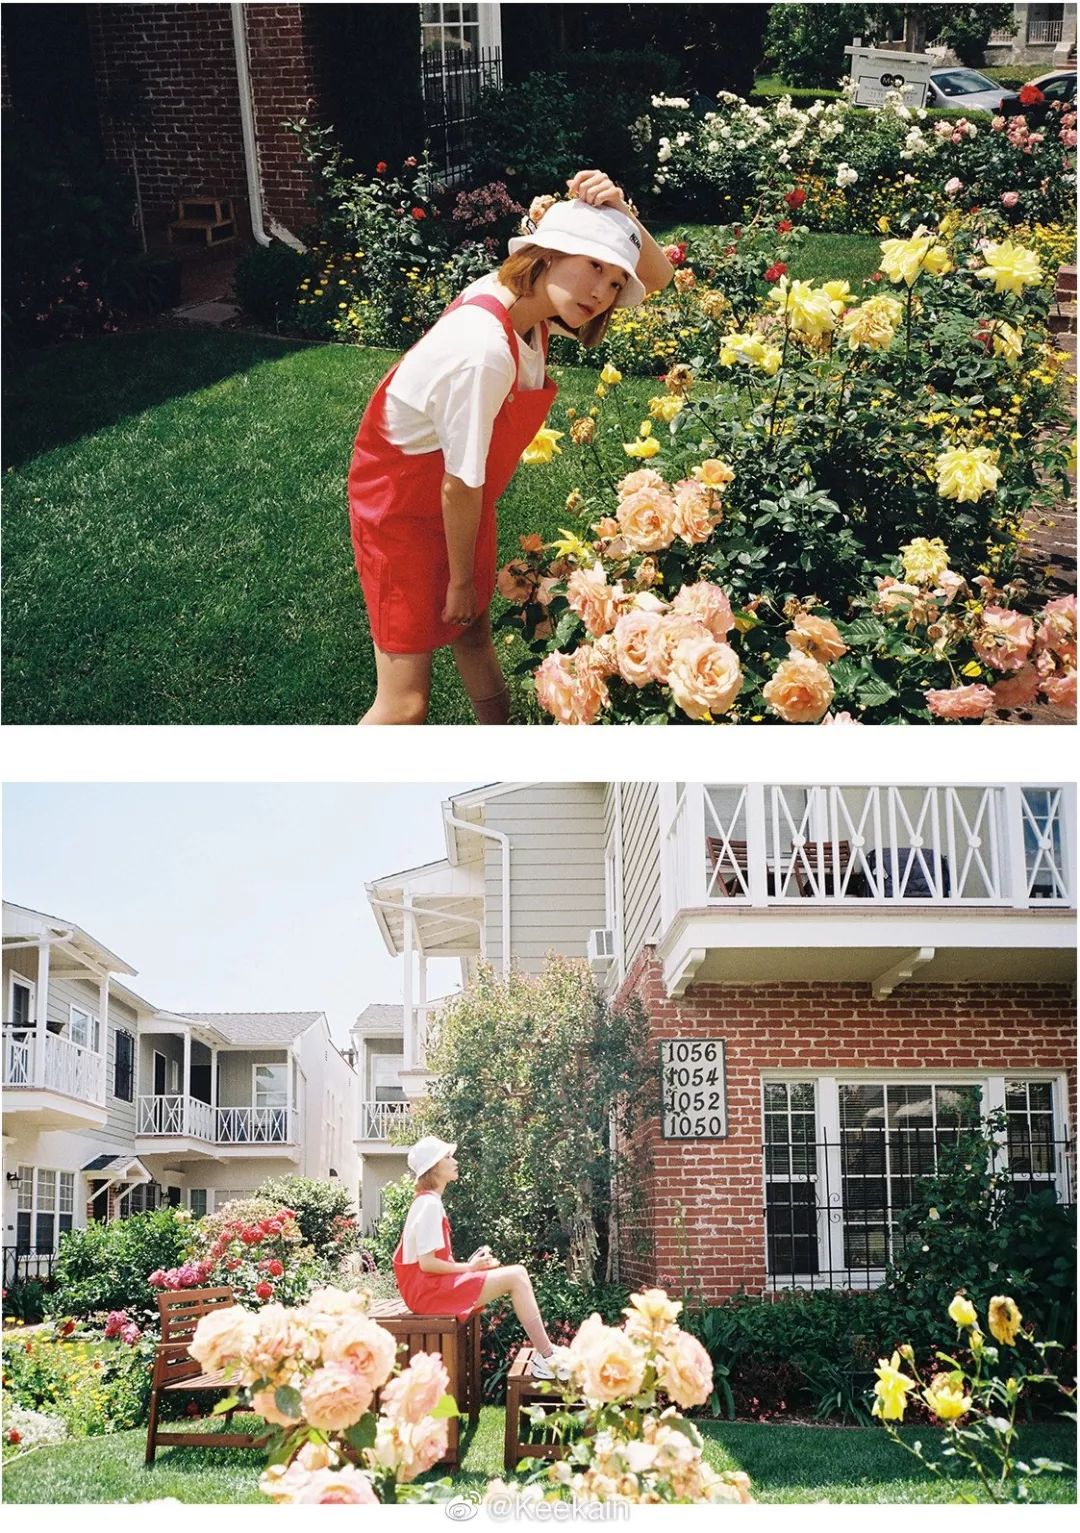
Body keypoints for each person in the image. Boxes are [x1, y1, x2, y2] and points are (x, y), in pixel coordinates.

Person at [349, 168, 674, 725]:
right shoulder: (484, 348)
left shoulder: (529, 306)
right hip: (402, 515)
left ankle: (503, 745)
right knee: (404, 707)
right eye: (592, 265)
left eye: (616, 281)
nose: (602, 291)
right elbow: (458, 483)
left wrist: (620, 210)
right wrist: (459, 581)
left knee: (473, 631)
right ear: (547, 252)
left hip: (460, 504)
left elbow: (660, 277)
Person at [393, 1135, 566, 1381]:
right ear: (433, 1168)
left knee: (515, 1275)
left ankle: (546, 1355)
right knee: (517, 1275)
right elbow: (427, 1263)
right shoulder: (429, 1205)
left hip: (425, 1290)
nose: (455, 1161)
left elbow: (427, 1264)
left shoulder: (427, 1202)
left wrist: (470, 1267)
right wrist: (470, 1266)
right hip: (427, 1294)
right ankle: (547, 1358)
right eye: (447, 1157)